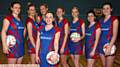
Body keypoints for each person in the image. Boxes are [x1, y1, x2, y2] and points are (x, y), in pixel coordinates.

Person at [98, 3, 119, 67]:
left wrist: (109, 47)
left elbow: (115, 35)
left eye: (107, 8)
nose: (105, 10)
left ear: (111, 9)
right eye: (104, 8)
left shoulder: (114, 19)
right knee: (104, 65)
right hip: (100, 45)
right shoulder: (101, 20)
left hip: (109, 45)